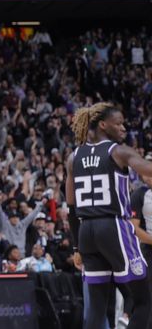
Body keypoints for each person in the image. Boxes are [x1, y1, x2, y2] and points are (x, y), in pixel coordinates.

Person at [66, 103, 152, 329]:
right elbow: (148, 170)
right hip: (113, 226)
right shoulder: (118, 151)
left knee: (96, 306)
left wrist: (76, 248)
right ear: (103, 125)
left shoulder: (73, 157)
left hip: (86, 232)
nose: (124, 128)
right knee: (144, 300)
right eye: (119, 123)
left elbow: (71, 207)